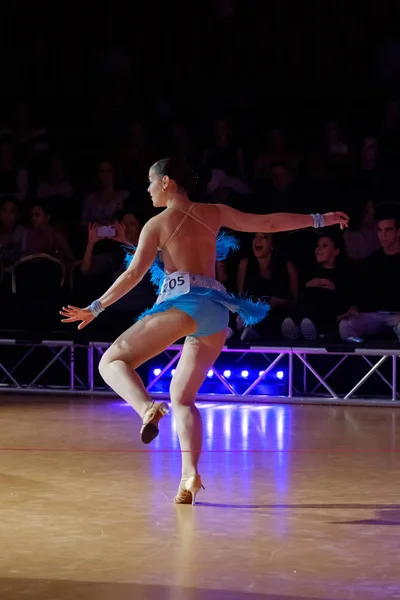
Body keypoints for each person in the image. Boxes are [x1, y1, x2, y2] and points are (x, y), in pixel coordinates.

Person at [60, 157, 349, 505]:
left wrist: (94, 308)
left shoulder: (157, 223)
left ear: (166, 182)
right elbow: (269, 222)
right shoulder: (214, 212)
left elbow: (133, 275)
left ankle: (146, 409)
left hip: (183, 305)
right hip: (215, 313)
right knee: (182, 398)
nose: (148, 190)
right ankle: (189, 476)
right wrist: (320, 219)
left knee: (111, 362)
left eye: (150, 183)